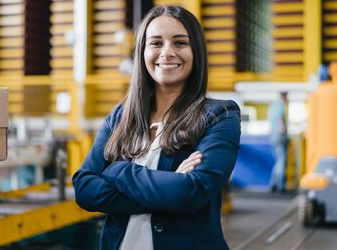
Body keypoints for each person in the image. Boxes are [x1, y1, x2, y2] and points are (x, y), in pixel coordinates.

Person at [73, 5, 241, 250]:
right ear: (142, 52)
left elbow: (192, 191)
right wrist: (168, 187)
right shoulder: (121, 116)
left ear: (196, 51)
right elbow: (84, 187)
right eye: (156, 43)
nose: (167, 52)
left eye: (180, 43)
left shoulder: (220, 116)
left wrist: (118, 170)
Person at [268, 92, 288, 193]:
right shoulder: (280, 106)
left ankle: (273, 184)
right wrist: (284, 131)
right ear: (284, 97)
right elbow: (281, 119)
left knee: (278, 161)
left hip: (273, 136)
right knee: (281, 161)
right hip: (280, 136)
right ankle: (281, 186)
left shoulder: (272, 107)